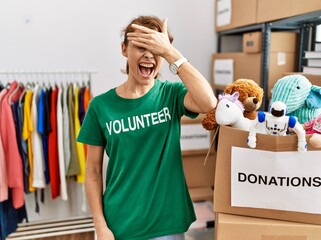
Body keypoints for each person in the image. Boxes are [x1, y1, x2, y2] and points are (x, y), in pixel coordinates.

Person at [76, 15, 217, 240]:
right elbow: (92, 172)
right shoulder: (100, 106)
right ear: (124, 49)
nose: (149, 54)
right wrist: (100, 227)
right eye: (141, 46)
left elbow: (209, 102)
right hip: (119, 224)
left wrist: (171, 53)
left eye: (156, 48)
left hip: (166, 224)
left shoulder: (170, 95)